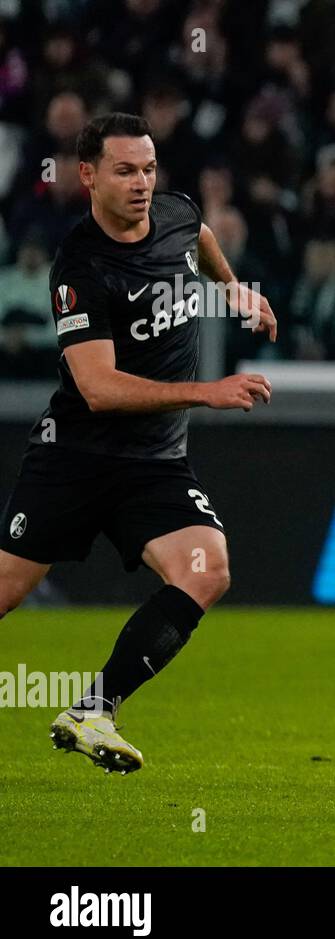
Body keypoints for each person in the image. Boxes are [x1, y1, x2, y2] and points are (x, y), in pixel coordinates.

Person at [0, 113, 278, 774]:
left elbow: (201, 237)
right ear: (88, 175)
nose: (142, 183)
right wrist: (205, 392)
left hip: (152, 463)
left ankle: (94, 708)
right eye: (125, 170)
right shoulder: (81, 266)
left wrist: (234, 288)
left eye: (149, 168)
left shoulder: (178, 215)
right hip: (75, 458)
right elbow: (97, 387)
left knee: (207, 568)